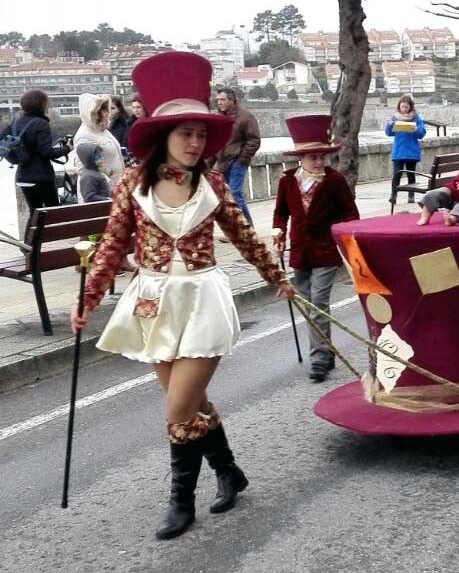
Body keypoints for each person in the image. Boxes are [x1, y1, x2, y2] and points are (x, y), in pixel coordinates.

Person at [69, 52, 294, 541]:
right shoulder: (131, 183)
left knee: (177, 408)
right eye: (184, 133)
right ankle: (229, 470)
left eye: (200, 134)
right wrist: (87, 298)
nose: (194, 143)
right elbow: (112, 242)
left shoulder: (212, 184)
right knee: (191, 403)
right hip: (152, 299)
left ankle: (180, 501)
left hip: (202, 299)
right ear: (162, 138)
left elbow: (245, 236)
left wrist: (277, 275)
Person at [273, 115, 360, 383]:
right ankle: (327, 350)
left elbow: (350, 213)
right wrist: (278, 232)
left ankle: (319, 358)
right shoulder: (288, 181)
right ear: (301, 158)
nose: (319, 161)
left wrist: (349, 243)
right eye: (313, 157)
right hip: (300, 253)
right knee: (308, 303)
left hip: (326, 251)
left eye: (322, 156)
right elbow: (280, 214)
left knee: (318, 304)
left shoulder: (334, 181)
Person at [0, 90, 72, 212]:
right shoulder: (41, 123)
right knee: (54, 213)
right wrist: (67, 148)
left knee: (35, 215)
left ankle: (33, 232)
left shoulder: (16, 120)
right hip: (41, 177)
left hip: (22, 177)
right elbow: (47, 153)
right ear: (41, 104)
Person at [213, 87, 261, 224]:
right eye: (218, 100)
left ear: (232, 100)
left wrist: (242, 159)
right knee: (228, 196)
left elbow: (254, 140)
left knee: (234, 193)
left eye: (222, 100)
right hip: (222, 162)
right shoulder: (218, 118)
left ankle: (242, 229)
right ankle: (245, 227)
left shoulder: (246, 117)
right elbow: (214, 142)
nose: (219, 103)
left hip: (237, 161)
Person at [72, 93, 126, 199]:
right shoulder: (84, 135)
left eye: (107, 110)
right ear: (93, 114)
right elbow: (83, 167)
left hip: (115, 188)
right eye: (102, 111)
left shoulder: (102, 130)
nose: (107, 114)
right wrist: (107, 178)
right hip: (101, 193)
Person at [386, 94, 426, 204]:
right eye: (402, 107)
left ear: (411, 107)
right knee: (396, 175)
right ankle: (393, 195)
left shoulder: (417, 118)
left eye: (406, 107)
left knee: (410, 174)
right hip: (399, 151)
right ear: (399, 106)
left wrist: (415, 129)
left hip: (411, 152)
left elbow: (422, 133)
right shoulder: (395, 117)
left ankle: (411, 195)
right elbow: (389, 133)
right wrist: (389, 125)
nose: (404, 109)